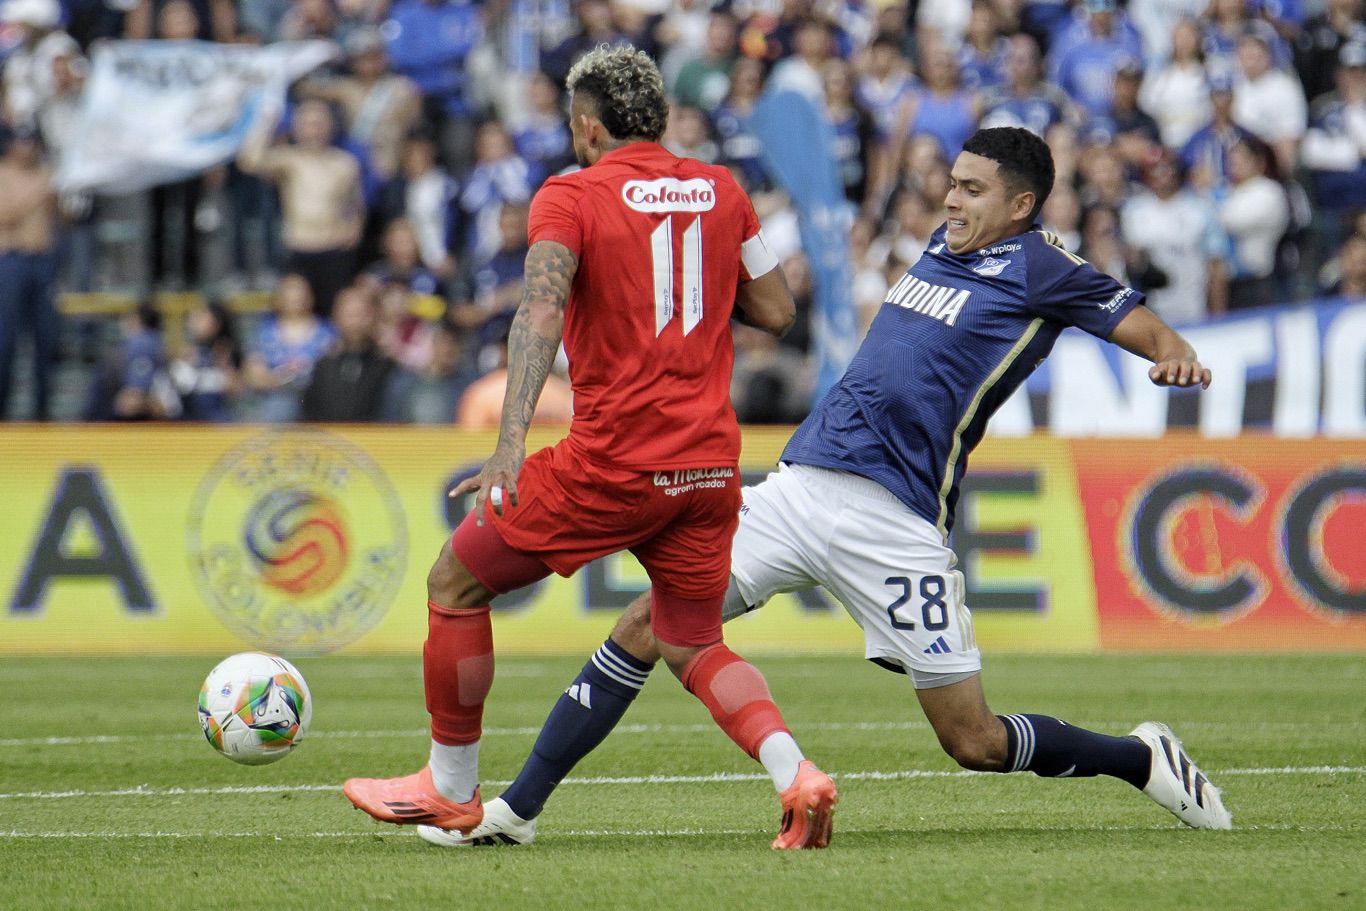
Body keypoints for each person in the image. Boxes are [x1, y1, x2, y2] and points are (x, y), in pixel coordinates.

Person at [417, 126, 1233, 849]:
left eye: (972, 189)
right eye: (951, 181)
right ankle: (516, 811)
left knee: (972, 739)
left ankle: (1139, 756)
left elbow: (1144, 323)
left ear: (1022, 204)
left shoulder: (1044, 264)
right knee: (649, 625)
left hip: (895, 520)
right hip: (802, 484)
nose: (950, 197)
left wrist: (1174, 353)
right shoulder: (943, 247)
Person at [343, 45, 839, 851]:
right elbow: (778, 309)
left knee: (456, 581)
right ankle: (797, 775)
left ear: (586, 124)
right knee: (693, 640)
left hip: (613, 461)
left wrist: (510, 443)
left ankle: (450, 788)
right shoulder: (722, 189)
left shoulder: (570, 194)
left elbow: (538, 312)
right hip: (709, 464)